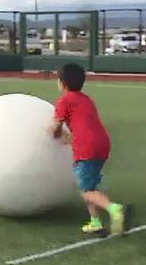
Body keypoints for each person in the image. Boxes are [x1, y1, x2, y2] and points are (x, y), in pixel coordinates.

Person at [48, 63, 131, 236]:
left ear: (62, 83)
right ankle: (95, 222)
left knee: (86, 192)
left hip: (87, 148)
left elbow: (55, 129)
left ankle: (114, 208)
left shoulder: (64, 100)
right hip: (102, 143)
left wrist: (52, 132)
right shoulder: (86, 99)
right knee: (90, 186)